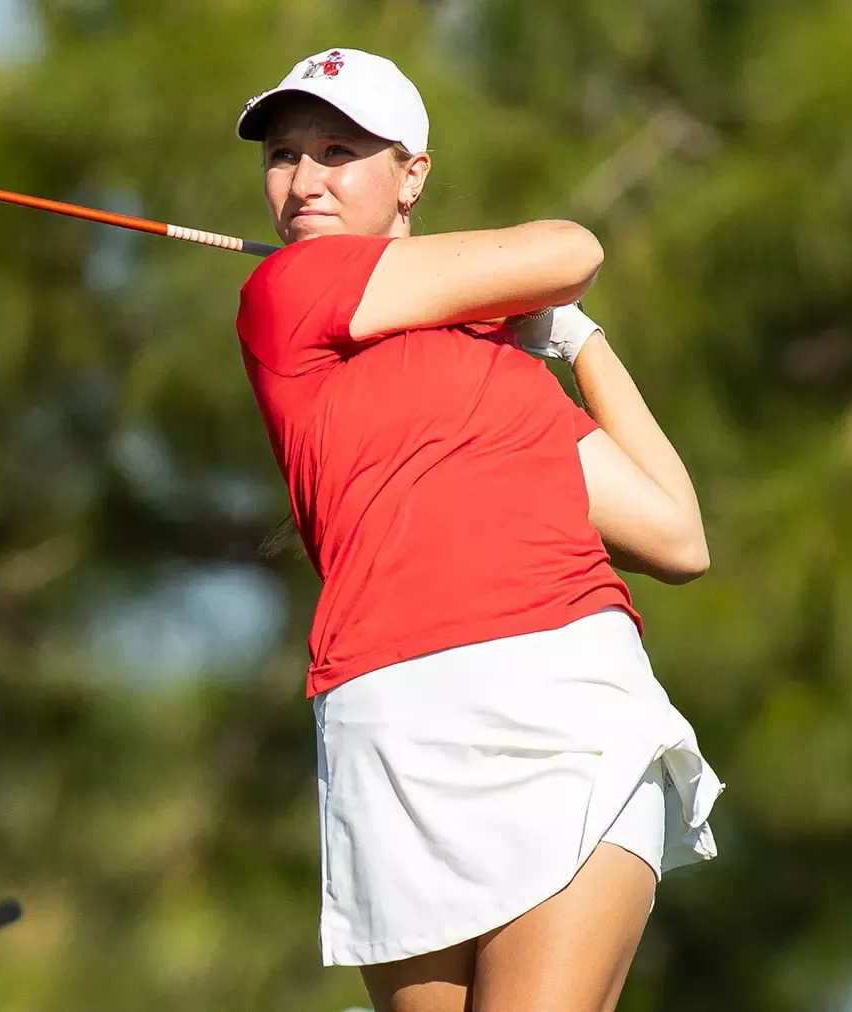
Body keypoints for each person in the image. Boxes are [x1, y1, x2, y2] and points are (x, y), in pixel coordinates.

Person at [232, 48, 724, 1012]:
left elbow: (676, 536)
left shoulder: (504, 374)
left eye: (340, 151)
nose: (304, 180)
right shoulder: (285, 296)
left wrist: (578, 344)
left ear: (412, 173)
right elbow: (566, 250)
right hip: (390, 719)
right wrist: (525, 298)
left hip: (561, 703)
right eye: (284, 156)